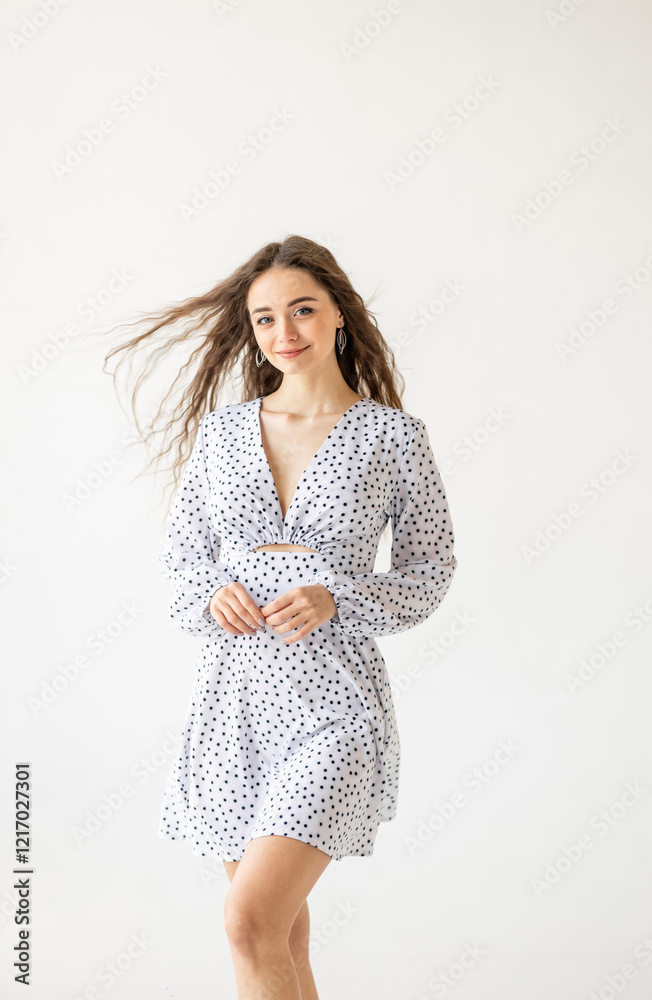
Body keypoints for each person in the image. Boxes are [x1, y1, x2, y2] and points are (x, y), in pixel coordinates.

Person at [104, 234, 457, 1000]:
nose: (283, 333)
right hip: (234, 707)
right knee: (278, 936)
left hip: (334, 709)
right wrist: (209, 594)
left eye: (300, 310)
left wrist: (342, 599)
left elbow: (430, 570)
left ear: (338, 313)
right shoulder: (223, 434)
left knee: (246, 922)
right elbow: (180, 566)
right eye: (264, 319)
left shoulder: (393, 436)